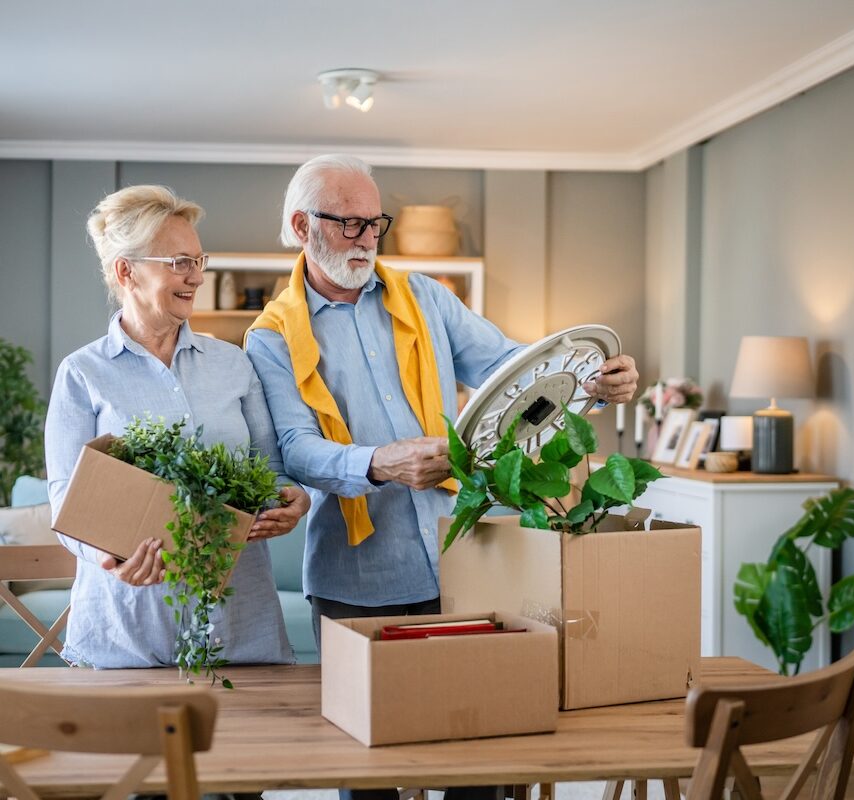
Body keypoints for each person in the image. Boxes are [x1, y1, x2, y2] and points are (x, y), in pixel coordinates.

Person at [246, 154, 638, 637]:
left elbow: (509, 368)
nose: (368, 239)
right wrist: (380, 463)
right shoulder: (270, 337)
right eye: (350, 224)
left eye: (375, 223)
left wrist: (593, 382)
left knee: (460, 709)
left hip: (457, 557)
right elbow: (296, 447)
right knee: (358, 714)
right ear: (303, 225)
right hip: (354, 581)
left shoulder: (426, 297)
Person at [45, 185, 310, 669]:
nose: (196, 277)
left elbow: (270, 469)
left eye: (198, 261)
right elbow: (66, 498)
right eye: (179, 262)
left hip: (237, 625)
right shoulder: (83, 373)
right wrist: (113, 557)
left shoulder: (234, 365)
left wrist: (288, 500)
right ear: (127, 271)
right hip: (127, 631)